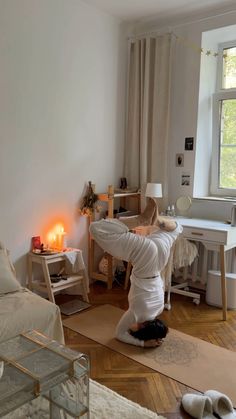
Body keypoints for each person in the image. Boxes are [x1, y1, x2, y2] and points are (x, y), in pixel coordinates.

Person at [89, 199, 183, 348]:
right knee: (96, 229)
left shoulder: (159, 308)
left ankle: (157, 221)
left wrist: (156, 335)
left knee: (178, 228)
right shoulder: (137, 313)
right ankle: (141, 220)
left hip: (159, 259)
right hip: (144, 257)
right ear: (143, 328)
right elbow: (119, 334)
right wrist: (143, 343)